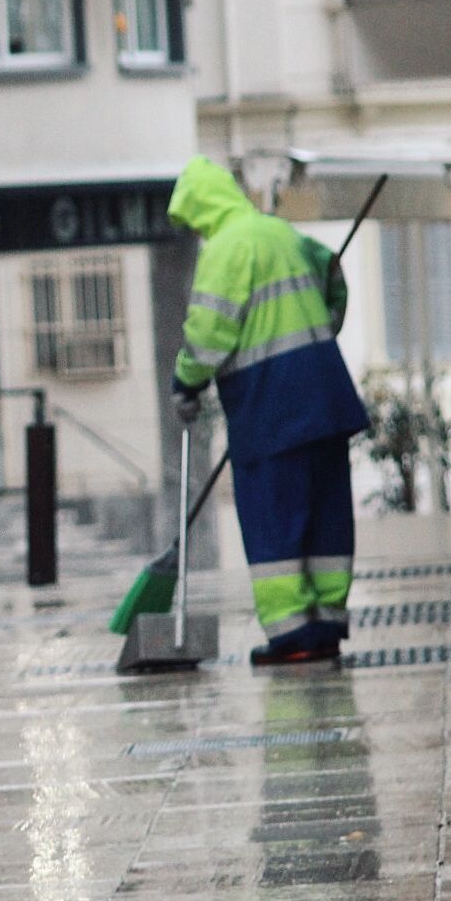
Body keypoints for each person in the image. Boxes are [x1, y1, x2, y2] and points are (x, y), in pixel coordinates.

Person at [168, 156, 370, 665]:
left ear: (201, 210)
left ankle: (291, 637)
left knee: (275, 521)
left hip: (271, 409)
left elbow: (210, 334)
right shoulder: (280, 232)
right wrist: (321, 328)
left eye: (192, 220)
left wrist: (185, 383)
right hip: (325, 395)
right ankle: (324, 627)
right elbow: (332, 273)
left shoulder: (225, 250)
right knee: (327, 517)